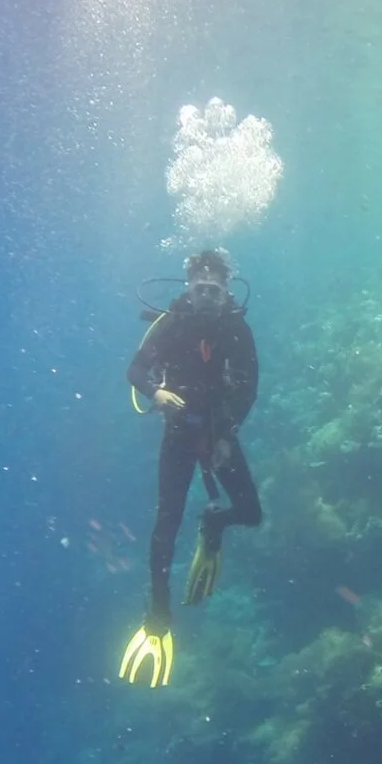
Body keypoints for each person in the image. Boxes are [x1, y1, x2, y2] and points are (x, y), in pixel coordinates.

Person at [117, 248, 262, 688]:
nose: (206, 298)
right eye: (200, 290)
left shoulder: (237, 329)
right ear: (188, 288)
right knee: (166, 524)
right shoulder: (171, 323)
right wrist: (156, 395)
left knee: (251, 513)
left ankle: (214, 524)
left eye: (214, 292)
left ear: (226, 292)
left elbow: (250, 388)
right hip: (179, 434)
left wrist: (225, 436)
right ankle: (158, 617)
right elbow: (135, 371)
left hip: (219, 433)